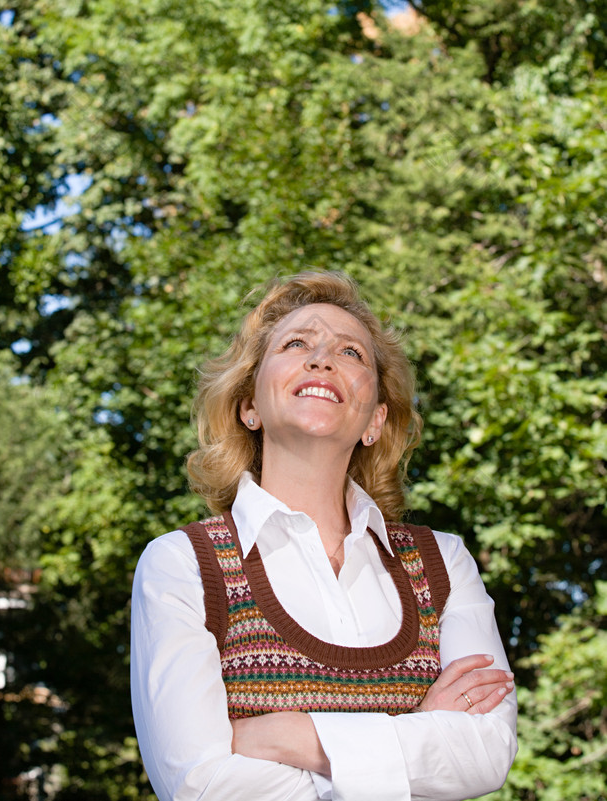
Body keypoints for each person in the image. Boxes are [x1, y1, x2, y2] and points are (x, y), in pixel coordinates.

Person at [131, 271, 517, 801]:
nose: (321, 359)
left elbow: (486, 752)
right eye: (295, 344)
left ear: (374, 421)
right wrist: (415, 732)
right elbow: (203, 787)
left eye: (351, 353)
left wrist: (296, 736)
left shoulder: (443, 563)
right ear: (249, 407)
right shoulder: (182, 565)